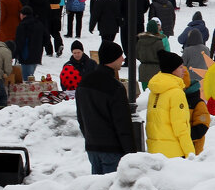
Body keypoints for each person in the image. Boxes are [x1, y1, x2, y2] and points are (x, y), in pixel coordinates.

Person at [75, 41, 138, 174]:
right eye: (120, 56)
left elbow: (81, 117)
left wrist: (89, 138)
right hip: (112, 149)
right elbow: (123, 124)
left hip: (92, 147)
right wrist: (132, 155)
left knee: (97, 189)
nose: (123, 59)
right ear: (112, 58)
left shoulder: (84, 83)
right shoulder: (115, 87)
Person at [145, 50, 194, 160]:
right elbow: (181, 126)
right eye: (180, 67)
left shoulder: (155, 90)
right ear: (172, 70)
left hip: (155, 150)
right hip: (173, 153)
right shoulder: (176, 93)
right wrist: (190, 153)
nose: (184, 70)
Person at [14, 6, 51, 80]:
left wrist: (15, 54)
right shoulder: (39, 23)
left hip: (26, 55)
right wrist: (41, 45)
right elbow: (47, 37)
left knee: (26, 79)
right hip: (37, 54)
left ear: (23, 15)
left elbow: (19, 41)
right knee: (30, 75)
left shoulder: (23, 25)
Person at [135, 18, 169, 89]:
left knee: (146, 92)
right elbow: (163, 56)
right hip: (157, 70)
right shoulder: (158, 42)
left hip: (143, 70)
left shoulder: (140, 41)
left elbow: (137, 54)